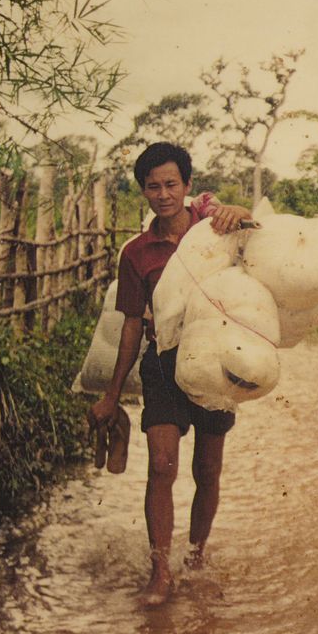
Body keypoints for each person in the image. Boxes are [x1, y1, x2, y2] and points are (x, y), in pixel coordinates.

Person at [88, 142, 252, 607]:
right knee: (161, 466)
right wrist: (111, 395)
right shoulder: (137, 252)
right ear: (143, 191)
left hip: (217, 364)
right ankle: (161, 571)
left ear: (186, 186)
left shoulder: (217, 233)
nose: (162, 194)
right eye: (153, 186)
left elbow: (263, 252)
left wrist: (239, 213)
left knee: (207, 468)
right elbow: (132, 325)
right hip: (163, 364)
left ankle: (196, 558)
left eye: (171, 185)